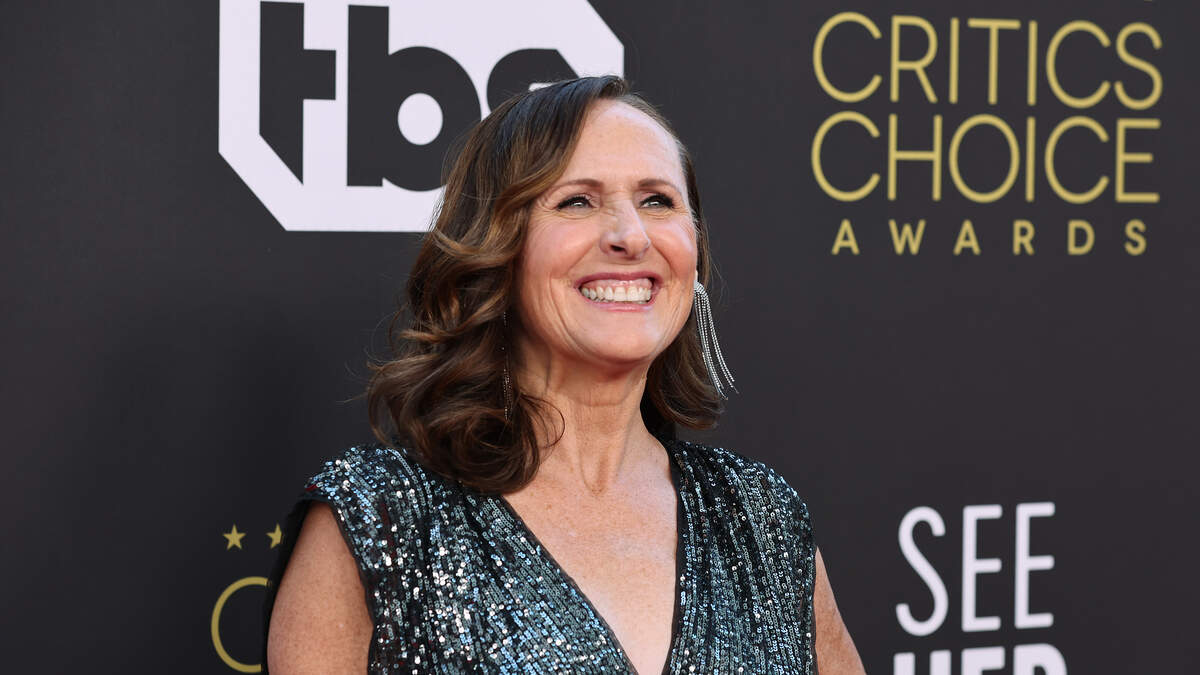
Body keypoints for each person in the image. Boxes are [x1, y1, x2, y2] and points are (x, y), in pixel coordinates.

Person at [263, 75, 865, 674]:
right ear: (497, 248)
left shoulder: (761, 520)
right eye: (577, 201)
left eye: (658, 201)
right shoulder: (383, 519)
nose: (631, 236)